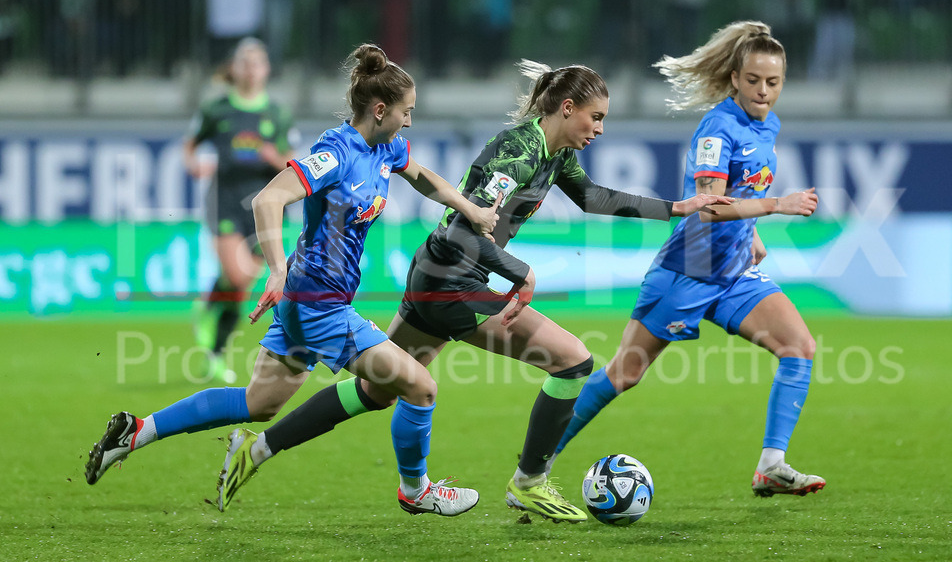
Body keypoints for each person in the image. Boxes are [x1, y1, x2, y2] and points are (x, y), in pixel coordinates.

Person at [215, 59, 733, 522]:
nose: (598, 128)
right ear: (567, 107)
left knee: (379, 389)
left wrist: (673, 208)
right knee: (574, 362)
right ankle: (529, 483)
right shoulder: (518, 151)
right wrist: (518, 271)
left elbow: (593, 196)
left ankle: (257, 450)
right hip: (452, 281)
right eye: (594, 117)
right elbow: (461, 231)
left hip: (435, 277)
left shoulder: (553, 154)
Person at [85, 44, 501, 517]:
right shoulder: (337, 153)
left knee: (258, 403)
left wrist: (468, 208)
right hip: (317, 304)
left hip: (312, 301)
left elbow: (422, 175)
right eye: (406, 112)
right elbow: (268, 200)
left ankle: (136, 431)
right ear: (380, 109)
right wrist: (278, 270)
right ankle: (416, 490)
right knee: (420, 388)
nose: (409, 122)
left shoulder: (387, 147)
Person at [552, 21, 826, 499]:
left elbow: (746, 188)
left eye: (774, 82)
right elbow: (711, 204)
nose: (764, 91)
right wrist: (776, 206)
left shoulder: (768, 125)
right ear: (735, 78)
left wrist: (753, 233)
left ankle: (771, 466)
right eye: (755, 80)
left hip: (735, 269)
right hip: (690, 268)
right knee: (625, 373)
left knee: (799, 347)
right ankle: (537, 463)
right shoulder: (717, 129)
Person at [183, 37, 297, 383]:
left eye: (256, 62)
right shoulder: (217, 110)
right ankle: (210, 316)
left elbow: (292, 163)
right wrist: (193, 163)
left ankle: (213, 338)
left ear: (266, 69)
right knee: (238, 275)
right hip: (226, 198)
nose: (250, 69)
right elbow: (190, 145)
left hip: (264, 204)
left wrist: (272, 157)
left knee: (241, 281)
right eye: (244, 62)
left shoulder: (277, 114)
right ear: (234, 68)